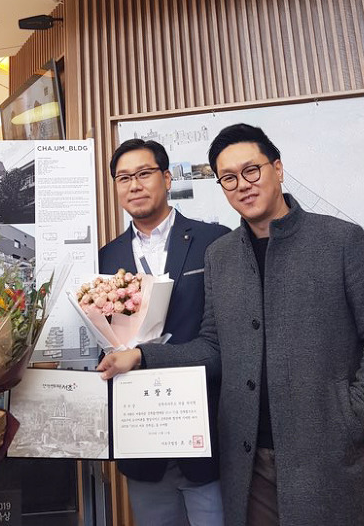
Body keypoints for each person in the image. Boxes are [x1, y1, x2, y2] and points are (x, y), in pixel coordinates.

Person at [99, 123, 364, 526]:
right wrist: (141, 357)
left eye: (252, 170)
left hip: (327, 452)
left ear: (277, 169)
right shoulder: (222, 255)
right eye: (229, 178)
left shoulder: (339, 240)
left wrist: (351, 417)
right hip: (246, 461)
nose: (243, 185)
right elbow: (213, 347)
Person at [100, 139, 229, 526]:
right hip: (142, 438)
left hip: (206, 433)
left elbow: (229, 339)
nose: (134, 185)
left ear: (168, 178)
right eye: (124, 178)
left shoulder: (214, 240)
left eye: (144, 173)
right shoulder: (105, 258)